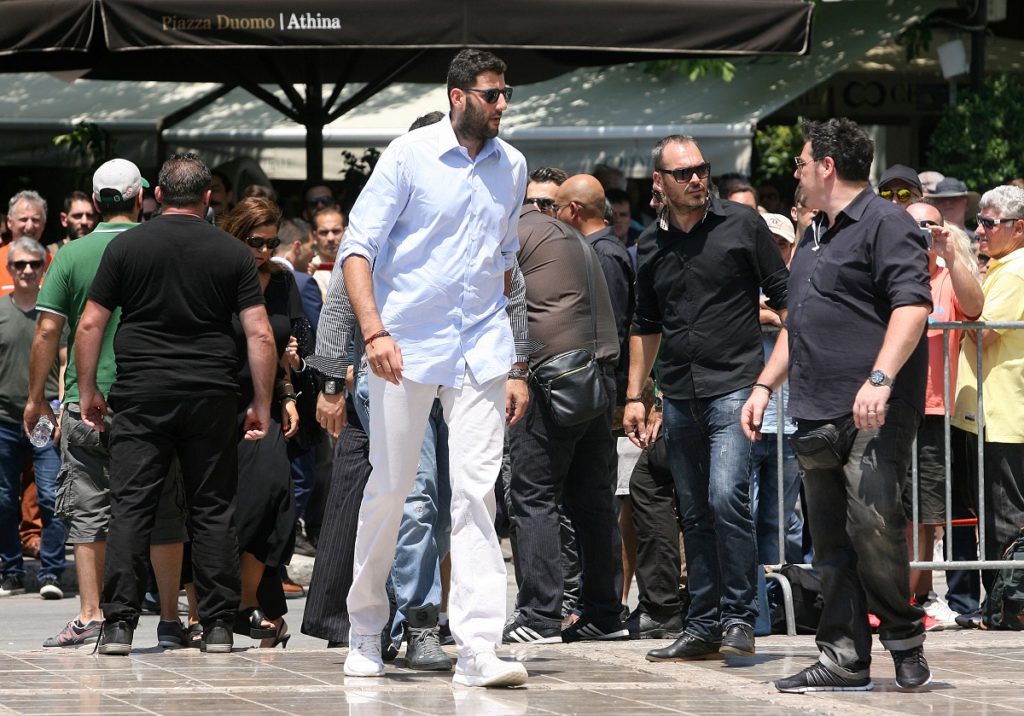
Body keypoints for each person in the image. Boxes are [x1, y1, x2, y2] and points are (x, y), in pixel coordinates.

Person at [327, 48, 529, 688]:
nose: (502, 105)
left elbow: (505, 262)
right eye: (492, 94)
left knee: (476, 494)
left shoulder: (513, 165)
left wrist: (516, 361)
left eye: (505, 93)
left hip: (482, 347)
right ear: (457, 96)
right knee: (392, 491)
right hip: (404, 346)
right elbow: (357, 250)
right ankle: (366, 628)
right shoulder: (407, 155)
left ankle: (477, 648)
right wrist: (373, 332)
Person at [742, 118, 933, 692]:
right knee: (829, 541)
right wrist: (764, 386)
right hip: (814, 406)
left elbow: (912, 307)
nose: (795, 172)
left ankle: (903, 637)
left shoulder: (888, 223)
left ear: (827, 166)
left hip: (874, 406)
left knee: (873, 525)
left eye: (801, 162)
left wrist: (880, 378)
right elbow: (799, 322)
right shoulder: (815, 232)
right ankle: (844, 658)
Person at [75, 153, 276, 655]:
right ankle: (218, 625)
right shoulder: (232, 253)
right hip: (211, 393)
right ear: (208, 197)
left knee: (131, 505)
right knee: (213, 508)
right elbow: (259, 333)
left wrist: (88, 390)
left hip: (142, 394)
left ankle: (119, 626)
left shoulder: (126, 247)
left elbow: (91, 323)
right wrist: (262, 401)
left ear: (157, 195)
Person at [625, 135, 787, 663]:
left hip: (735, 385)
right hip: (678, 392)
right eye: (683, 173)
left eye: (701, 169)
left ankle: (739, 615)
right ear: (660, 181)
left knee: (725, 499)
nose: (696, 179)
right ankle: (703, 623)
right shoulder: (650, 244)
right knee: (693, 511)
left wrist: (774, 377)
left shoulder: (742, 225)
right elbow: (646, 323)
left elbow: (787, 298)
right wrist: (636, 395)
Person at [26, 158, 189, 648]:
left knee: (88, 507)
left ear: (96, 202)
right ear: (142, 197)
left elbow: (48, 330)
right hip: (153, 397)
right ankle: (169, 618)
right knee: (164, 506)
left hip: (85, 398)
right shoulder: (161, 246)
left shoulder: (71, 255)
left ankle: (91, 614)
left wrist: (36, 399)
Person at [503, 192, 625, 644]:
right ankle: (605, 613)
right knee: (593, 499)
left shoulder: (510, 233)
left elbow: (501, 303)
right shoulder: (568, 233)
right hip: (596, 374)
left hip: (551, 377)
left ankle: (539, 616)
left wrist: (516, 370)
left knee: (533, 495)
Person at [221, 196, 315, 649]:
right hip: (222, 403)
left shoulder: (281, 281)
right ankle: (261, 612)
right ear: (236, 236)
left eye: (271, 243)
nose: (263, 251)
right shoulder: (218, 277)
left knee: (274, 500)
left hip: (268, 406)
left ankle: (243, 605)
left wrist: (289, 389)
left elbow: (294, 343)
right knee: (228, 509)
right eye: (255, 241)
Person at [903, 201, 983, 628]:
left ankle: (912, 599)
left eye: (929, 225)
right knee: (887, 510)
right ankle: (891, 596)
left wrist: (950, 255)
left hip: (934, 410)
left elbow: (974, 308)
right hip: (885, 408)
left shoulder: (948, 277)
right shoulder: (885, 272)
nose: (921, 233)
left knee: (924, 513)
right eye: (913, 226)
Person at [951, 186, 1024, 598]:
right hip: (990, 414)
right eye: (978, 220)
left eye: (989, 222)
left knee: (1004, 519)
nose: (979, 229)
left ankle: (1006, 609)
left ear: (1019, 228)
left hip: (1003, 416)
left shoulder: (1014, 271)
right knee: (992, 516)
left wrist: (961, 304)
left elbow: (984, 334)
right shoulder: (1002, 266)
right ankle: (999, 607)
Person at [0, 238, 65, 599]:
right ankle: (11, 570)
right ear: (9, 268)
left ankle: (51, 571)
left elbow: (67, 361)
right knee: (4, 500)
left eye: (35, 264)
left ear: (44, 268)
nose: (27, 270)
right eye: (20, 264)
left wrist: (63, 406)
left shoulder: (53, 311)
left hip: (45, 417)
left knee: (52, 497)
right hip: (4, 420)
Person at [1, 191, 48, 294]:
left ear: (43, 224)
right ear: (9, 222)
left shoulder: (55, 264)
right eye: (23, 219)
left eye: (35, 220)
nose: (29, 226)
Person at [310, 207, 346, 300]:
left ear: (346, 232)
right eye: (324, 232)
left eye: (336, 231)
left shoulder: (361, 265)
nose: (331, 238)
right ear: (314, 237)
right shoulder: (309, 271)